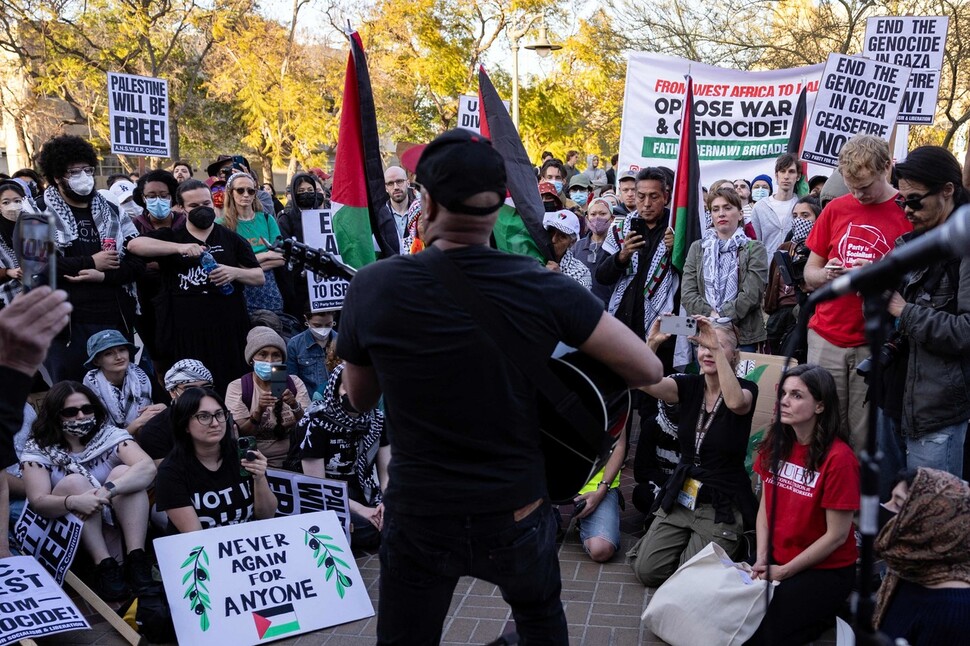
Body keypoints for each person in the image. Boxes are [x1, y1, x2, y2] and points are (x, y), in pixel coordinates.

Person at [337, 129, 663, 645]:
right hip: (517, 509)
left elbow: (358, 398)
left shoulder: (375, 284)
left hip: (421, 511)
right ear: (499, 205)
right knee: (538, 621)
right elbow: (646, 368)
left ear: (425, 201)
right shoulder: (542, 284)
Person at [803, 134, 912, 451]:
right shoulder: (835, 209)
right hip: (825, 336)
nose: (857, 194)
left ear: (886, 170)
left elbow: (916, 283)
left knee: (864, 439)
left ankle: (856, 499)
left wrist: (877, 277)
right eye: (851, 186)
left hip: (873, 342)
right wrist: (828, 275)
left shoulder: (908, 212)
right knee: (822, 431)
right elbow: (810, 274)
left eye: (865, 186)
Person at [631, 317, 757, 587]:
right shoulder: (688, 385)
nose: (709, 351)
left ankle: (718, 549)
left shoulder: (746, 389)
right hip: (684, 494)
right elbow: (641, 382)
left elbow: (735, 402)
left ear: (734, 355)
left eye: (719, 346)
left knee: (689, 579)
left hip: (720, 501)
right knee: (647, 570)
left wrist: (715, 346)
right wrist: (650, 344)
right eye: (704, 345)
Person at [746, 364, 859, 645]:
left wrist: (784, 572)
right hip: (775, 556)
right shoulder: (777, 442)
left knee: (762, 635)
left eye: (796, 395)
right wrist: (761, 557)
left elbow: (837, 536)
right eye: (783, 393)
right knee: (739, 616)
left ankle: (825, 615)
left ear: (820, 406)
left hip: (824, 568)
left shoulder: (840, 459)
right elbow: (764, 509)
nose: (784, 401)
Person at [21, 381, 157, 600]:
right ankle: (103, 565)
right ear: (56, 415)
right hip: (67, 527)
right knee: (75, 482)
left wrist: (107, 491)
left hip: (113, 518)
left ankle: (136, 559)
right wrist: (73, 502)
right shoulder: (38, 448)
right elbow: (38, 501)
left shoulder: (108, 435)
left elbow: (146, 467)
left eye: (87, 409)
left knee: (124, 473)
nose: (81, 416)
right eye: (70, 412)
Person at [125, 180, 264, 392]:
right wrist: (178, 248)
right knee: (194, 393)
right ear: (180, 208)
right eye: (194, 206)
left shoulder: (231, 239)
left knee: (232, 387)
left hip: (229, 330)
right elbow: (134, 245)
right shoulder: (172, 237)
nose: (202, 210)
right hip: (186, 332)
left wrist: (234, 272)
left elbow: (258, 276)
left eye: (206, 204)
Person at [883, 146, 970, 478]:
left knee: (930, 520)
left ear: (947, 190)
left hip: (937, 411)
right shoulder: (909, 244)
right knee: (891, 513)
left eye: (915, 200)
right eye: (901, 201)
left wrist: (903, 310)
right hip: (892, 398)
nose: (907, 210)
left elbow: (966, 330)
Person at [38, 135, 145, 383]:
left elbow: (137, 262)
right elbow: (37, 267)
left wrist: (104, 275)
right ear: (56, 176)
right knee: (73, 397)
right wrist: (91, 262)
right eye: (74, 172)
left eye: (87, 170)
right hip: (64, 328)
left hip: (113, 319)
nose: (84, 177)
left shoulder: (113, 211)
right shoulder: (35, 212)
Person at [155, 388, 277, 533]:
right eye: (204, 416)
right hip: (205, 551)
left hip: (249, 545)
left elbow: (267, 516)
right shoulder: (170, 472)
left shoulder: (242, 454)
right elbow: (194, 535)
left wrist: (260, 478)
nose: (215, 423)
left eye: (219, 414)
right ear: (185, 425)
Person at [873, 467, 970, 645]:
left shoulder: (953, 613)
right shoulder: (908, 571)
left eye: (898, 505)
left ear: (931, 523)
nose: (885, 509)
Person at [300, 363, 389, 549]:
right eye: (347, 386)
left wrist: (387, 502)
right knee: (373, 529)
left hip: (365, 489)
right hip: (328, 497)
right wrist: (362, 510)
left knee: (398, 519)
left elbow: (387, 473)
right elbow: (318, 486)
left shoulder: (377, 420)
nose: (357, 392)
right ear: (335, 389)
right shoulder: (316, 423)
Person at [682, 187, 768, 351]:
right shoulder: (697, 248)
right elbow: (687, 293)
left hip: (743, 336)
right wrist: (711, 316)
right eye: (715, 209)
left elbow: (752, 294)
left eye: (727, 208)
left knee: (737, 377)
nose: (721, 213)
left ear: (740, 214)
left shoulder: (755, 248)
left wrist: (722, 315)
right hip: (705, 331)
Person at [225, 326, 310, 467]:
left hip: (294, 459)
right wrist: (258, 411)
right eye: (262, 354)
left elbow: (308, 425)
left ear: (283, 358)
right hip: (255, 463)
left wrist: (295, 406)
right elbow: (242, 434)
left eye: (276, 354)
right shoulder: (238, 387)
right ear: (251, 359)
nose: (269, 360)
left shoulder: (294, 383)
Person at [218, 172, 286, 313]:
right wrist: (266, 254)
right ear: (231, 193)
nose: (246, 194)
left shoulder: (267, 219)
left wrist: (243, 265)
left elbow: (281, 258)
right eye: (240, 190)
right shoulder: (221, 224)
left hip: (269, 290)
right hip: (237, 289)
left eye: (251, 190)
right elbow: (226, 264)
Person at [764, 195, 820, 359]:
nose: (799, 220)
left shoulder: (821, 251)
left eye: (805, 216)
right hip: (779, 318)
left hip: (803, 316)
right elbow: (772, 286)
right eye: (795, 216)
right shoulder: (784, 248)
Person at [81, 329, 165, 434]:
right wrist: (136, 424)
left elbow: (166, 404)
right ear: (96, 361)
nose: (119, 357)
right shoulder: (87, 391)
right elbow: (93, 435)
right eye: (108, 353)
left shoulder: (144, 377)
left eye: (122, 350)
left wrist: (163, 407)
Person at [137, 359, 214, 467]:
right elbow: (167, 474)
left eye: (206, 388)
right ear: (173, 392)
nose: (200, 394)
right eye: (190, 389)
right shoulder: (155, 429)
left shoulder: (220, 418)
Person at [750, 153, 800, 254]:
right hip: (766, 267)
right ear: (777, 175)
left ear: (798, 176)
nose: (786, 176)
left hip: (794, 267)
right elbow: (755, 244)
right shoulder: (760, 207)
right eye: (782, 171)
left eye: (791, 172)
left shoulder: (802, 206)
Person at [285, 310, 337, 399]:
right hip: (307, 404)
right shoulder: (295, 345)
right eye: (317, 326)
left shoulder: (342, 341)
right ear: (306, 320)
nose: (323, 330)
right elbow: (292, 382)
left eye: (328, 325)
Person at [573, 197, 615, 304]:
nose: (597, 218)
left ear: (612, 218)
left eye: (602, 214)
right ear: (587, 218)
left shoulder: (617, 247)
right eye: (593, 214)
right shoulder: (577, 247)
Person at [542, 209, 591, 288]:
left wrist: (559, 280)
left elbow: (580, 299)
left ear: (572, 242)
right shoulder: (532, 258)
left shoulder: (581, 272)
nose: (553, 240)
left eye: (562, 236)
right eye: (551, 232)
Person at [0, 180, 27, 307]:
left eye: (17, 201)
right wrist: (7, 272)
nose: (13, 206)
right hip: (7, 299)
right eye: (6, 202)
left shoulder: (36, 227)